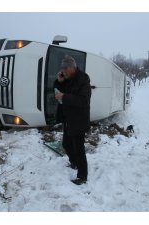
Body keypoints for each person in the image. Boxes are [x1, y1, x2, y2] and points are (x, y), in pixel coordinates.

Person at [54, 55, 91, 185]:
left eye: (64, 69)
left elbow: (83, 101)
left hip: (79, 120)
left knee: (78, 148)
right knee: (66, 144)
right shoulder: (68, 79)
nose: (62, 72)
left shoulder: (83, 79)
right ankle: (74, 162)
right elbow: (61, 90)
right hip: (68, 119)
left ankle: (82, 176)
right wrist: (59, 81)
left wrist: (64, 96)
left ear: (70, 68)